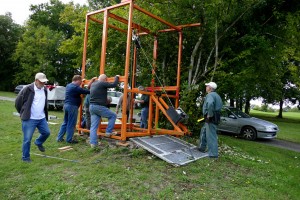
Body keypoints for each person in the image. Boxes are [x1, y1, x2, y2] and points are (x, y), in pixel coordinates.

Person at [15, 72, 50, 162]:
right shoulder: (27, 89)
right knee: (27, 139)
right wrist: (22, 113)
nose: (43, 83)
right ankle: (25, 158)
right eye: (42, 82)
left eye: (44, 82)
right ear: (36, 80)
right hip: (29, 118)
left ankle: (38, 142)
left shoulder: (44, 89)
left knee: (46, 132)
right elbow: (18, 102)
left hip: (41, 118)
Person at [57, 75, 96, 143]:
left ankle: (59, 138)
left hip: (66, 106)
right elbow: (87, 91)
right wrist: (92, 82)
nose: (81, 83)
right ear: (77, 80)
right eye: (80, 81)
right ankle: (69, 140)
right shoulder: (75, 87)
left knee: (65, 122)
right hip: (72, 107)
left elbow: (80, 89)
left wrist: (83, 81)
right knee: (71, 124)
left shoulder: (69, 85)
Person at [89, 74, 119, 148]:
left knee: (93, 127)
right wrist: (117, 77)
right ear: (105, 79)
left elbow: (88, 87)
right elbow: (114, 84)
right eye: (107, 80)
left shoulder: (93, 84)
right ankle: (108, 132)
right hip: (98, 106)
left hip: (92, 106)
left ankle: (93, 144)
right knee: (113, 115)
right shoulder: (102, 83)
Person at [198, 82, 223, 158]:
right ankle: (201, 148)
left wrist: (209, 115)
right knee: (204, 131)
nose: (206, 87)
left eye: (207, 86)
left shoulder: (210, 95)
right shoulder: (217, 95)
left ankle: (213, 154)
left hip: (211, 117)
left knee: (211, 136)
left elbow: (210, 104)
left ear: (210, 88)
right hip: (214, 116)